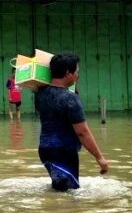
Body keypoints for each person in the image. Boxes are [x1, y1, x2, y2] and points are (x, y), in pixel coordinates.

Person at [34, 53, 109, 191]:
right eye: (76, 72)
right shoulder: (71, 99)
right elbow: (82, 132)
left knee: (59, 189)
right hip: (64, 151)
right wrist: (100, 158)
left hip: (45, 150)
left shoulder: (40, 95)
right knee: (68, 193)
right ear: (68, 73)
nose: (78, 75)